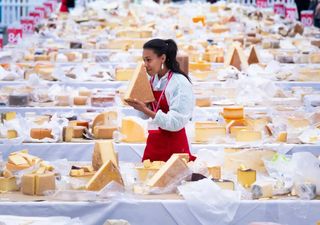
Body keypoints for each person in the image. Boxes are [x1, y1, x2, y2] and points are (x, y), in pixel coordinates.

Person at [125, 39, 196, 162]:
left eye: (149, 60)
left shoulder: (179, 83)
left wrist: (146, 110)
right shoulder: (153, 81)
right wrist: (140, 105)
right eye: (144, 60)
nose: (145, 65)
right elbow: (144, 116)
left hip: (175, 146)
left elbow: (175, 123)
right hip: (154, 144)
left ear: (162, 58)